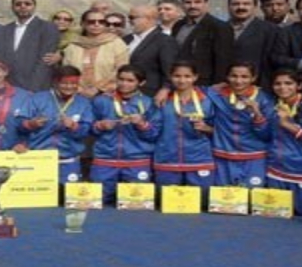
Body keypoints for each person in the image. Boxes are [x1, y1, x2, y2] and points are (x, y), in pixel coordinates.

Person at [89, 65, 160, 204]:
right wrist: (99, 126)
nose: (124, 84)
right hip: (105, 159)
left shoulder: (149, 103)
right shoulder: (101, 101)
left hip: (137, 161)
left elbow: (155, 134)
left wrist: (142, 124)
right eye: (121, 79)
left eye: (130, 80)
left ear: (141, 83)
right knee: (96, 203)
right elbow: (87, 129)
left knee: (136, 204)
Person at [264, 69, 302, 217]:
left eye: (288, 83)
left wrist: (287, 124)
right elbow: (266, 135)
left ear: (299, 85)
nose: (282, 87)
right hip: (277, 169)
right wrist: (258, 118)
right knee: (275, 216)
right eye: (277, 83)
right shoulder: (271, 106)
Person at [152, 62, 216, 201]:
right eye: (177, 76)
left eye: (187, 76)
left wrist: (208, 128)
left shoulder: (208, 100)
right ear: (170, 77)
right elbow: (152, 131)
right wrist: (142, 125)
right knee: (165, 201)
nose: (182, 80)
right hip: (167, 158)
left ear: (195, 77)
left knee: (203, 200)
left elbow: (222, 129)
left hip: (199, 158)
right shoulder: (162, 100)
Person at [24, 66, 93, 186]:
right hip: (39, 157)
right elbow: (20, 125)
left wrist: (74, 126)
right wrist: (31, 124)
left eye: (73, 83)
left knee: (68, 198)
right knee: (39, 197)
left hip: (68, 159)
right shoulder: (37, 98)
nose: (69, 86)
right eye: (64, 83)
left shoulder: (84, 103)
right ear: (55, 82)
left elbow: (86, 131)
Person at [209, 62, 274, 189]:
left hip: (254, 156)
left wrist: (257, 113)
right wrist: (165, 89)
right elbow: (188, 88)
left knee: (252, 200)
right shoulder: (216, 95)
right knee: (224, 202)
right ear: (227, 77)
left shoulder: (265, 99)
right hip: (223, 155)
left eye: (244, 77)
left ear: (253, 78)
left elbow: (267, 134)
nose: (239, 81)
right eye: (234, 76)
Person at [62, 9, 129, 98]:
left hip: (107, 94)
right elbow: (67, 71)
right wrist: (80, 89)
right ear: (83, 24)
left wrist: (99, 89)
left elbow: (121, 69)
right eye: (91, 22)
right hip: (77, 93)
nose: (96, 24)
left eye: (101, 22)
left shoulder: (116, 43)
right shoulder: (73, 45)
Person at [173, 0, 234, 86]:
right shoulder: (178, 25)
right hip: (179, 81)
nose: (193, 6)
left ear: (206, 3)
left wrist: (219, 83)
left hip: (205, 83)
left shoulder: (219, 27)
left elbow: (223, 59)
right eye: (188, 2)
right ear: (182, 4)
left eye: (197, 2)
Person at [2, 0, 60, 92]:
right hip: (9, 86)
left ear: (34, 7)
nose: (22, 6)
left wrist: (33, 87)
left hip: (35, 87)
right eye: (18, 4)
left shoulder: (47, 27)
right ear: (12, 7)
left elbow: (44, 61)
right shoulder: (6, 29)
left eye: (27, 4)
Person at [225, 0, 282, 90]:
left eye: (246, 4)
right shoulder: (217, 29)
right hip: (223, 88)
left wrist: (264, 87)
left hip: (258, 88)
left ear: (255, 7)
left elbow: (271, 62)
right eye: (235, 4)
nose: (241, 7)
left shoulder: (271, 30)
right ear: (229, 7)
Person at [125, 5, 177, 101]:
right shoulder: (126, 39)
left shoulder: (164, 41)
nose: (129, 21)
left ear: (149, 19)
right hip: (123, 94)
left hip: (150, 94)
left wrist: (166, 89)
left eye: (133, 17)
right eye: (129, 17)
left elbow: (170, 70)